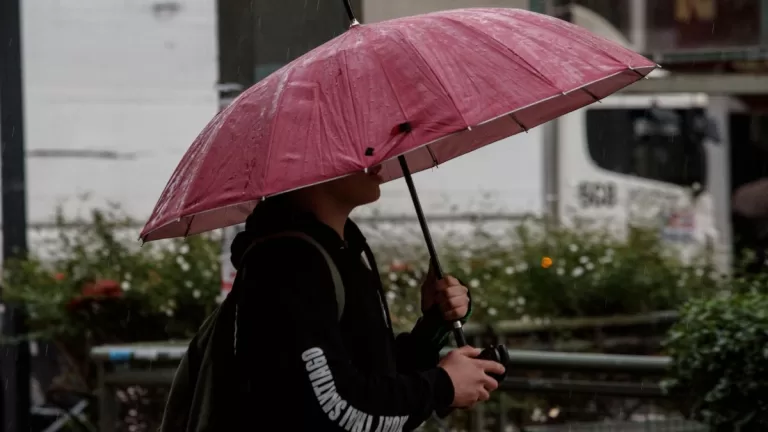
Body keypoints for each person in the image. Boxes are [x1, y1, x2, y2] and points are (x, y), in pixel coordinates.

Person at [160, 164, 505, 432]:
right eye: (351, 141)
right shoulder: (289, 264)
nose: (375, 155)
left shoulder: (338, 253)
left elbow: (370, 384)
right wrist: (440, 386)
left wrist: (432, 327)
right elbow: (335, 410)